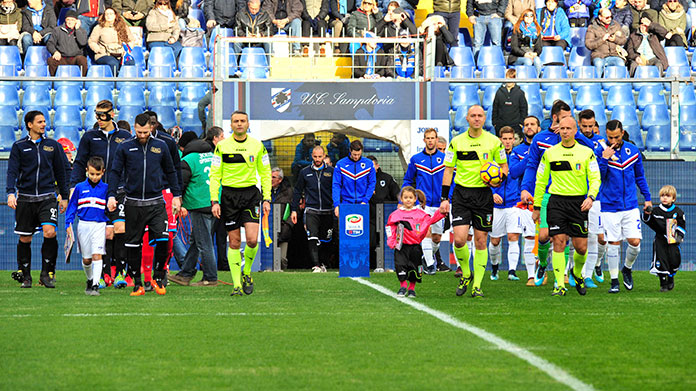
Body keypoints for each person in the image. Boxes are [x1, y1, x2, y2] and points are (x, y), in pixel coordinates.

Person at [520, 100, 596, 286]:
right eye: (563, 120)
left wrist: (576, 133)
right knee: (545, 236)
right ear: (554, 119)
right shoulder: (540, 139)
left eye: (570, 123)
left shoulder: (577, 140)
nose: (566, 126)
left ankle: (564, 275)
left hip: (573, 196)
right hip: (549, 196)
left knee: (567, 240)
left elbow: (592, 148)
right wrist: (525, 188)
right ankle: (543, 264)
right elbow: (532, 167)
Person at [107, 113, 181, 296]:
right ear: (134, 128)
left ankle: (157, 277)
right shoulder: (125, 147)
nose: (142, 135)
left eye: (145, 131)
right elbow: (115, 172)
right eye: (139, 132)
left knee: (164, 239)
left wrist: (177, 196)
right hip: (132, 203)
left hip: (156, 202)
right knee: (133, 245)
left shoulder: (161, 146)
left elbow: (171, 171)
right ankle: (138, 284)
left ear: (151, 128)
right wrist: (111, 195)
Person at [440, 105, 509, 298]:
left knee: (481, 241)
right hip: (461, 195)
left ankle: (477, 285)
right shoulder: (456, 142)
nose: (477, 119)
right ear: (467, 119)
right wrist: (444, 198)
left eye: (480, 115)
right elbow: (448, 170)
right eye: (473, 116)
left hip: (483, 196)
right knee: (460, 239)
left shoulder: (494, 142)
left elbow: (504, 167)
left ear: (484, 118)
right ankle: (466, 272)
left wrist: (497, 179)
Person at [533, 116, 601, 296]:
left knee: (581, 247)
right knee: (558, 242)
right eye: (561, 128)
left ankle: (577, 273)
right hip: (557, 202)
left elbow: (595, 177)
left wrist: (591, 197)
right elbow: (540, 181)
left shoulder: (586, 153)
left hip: (579, 203)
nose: (564, 132)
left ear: (575, 130)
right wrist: (537, 206)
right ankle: (559, 284)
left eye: (568, 129)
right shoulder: (549, 153)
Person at [71, 100, 132, 288]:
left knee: (120, 229)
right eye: (96, 115)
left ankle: (121, 273)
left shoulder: (125, 136)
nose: (99, 119)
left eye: (103, 115)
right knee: (104, 234)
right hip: (96, 193)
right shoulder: (89, 137)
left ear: (112, 114)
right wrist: (74, 185)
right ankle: (105, 273)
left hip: (120, 190)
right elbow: (80, 162)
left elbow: (131, 162)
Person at [210, 111, 271, 296]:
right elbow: (214, 175)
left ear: (247, 123)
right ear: (230, 125)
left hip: (251, 195)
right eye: (235, 121)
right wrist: (215, 200)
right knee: (234, 241)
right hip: (229, 196)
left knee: (252, 239)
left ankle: (246, 272)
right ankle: (236, 285)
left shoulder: (257, 145)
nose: (239, 124)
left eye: (242, 121)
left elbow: (266, 172)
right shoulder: (222, 147)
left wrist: (266, 198)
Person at [7, 111, 69, 289]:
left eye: (44, 121)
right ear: (29, 125)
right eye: (39, 122)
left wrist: (64, 196)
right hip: (25, 199)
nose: (43, 124)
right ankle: (25, 275)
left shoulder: (53, 146)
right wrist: (11, 192)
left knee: (50, 232)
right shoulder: (18, 146)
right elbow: (12, 171)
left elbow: (61, 172)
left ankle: (47, 274)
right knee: (25, 238)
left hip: (47, 198)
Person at [596, 119, 652, 293]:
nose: (613, 141)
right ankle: (614, 281)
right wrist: (604, 159)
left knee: (635, 243)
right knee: (613, 242)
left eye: (616, 137)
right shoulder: (600, 150)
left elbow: (639, 177)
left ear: (622, 133)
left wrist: (647, 198)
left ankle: (627, 268)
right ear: (607, 134)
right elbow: (599, 177)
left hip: (630, 205)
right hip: (609, 206)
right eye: (610, 137)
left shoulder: (632, 150)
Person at [169, 126, 225, 286]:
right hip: (214, 201)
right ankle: (185, 274)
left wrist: (179, 201)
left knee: (204, 242)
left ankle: (210, 277)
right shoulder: (213, 155)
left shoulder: (188, 160)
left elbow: (181, 183)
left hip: (198, 204)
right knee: (197, 240)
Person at [402, 128, 449, 274]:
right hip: (423, 204)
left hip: (439, 204)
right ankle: (430, 265)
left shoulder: (445, 159)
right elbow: (408, 179)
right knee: (426, 232)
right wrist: (404, 196)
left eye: (432, 138)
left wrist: (447, 199)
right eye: (427, 138)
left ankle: (426, 257)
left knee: (436, 237)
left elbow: (451, 182)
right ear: (424, 140)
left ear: (436, 140)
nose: (430, 140)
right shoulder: (416, 159)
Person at [387, 186, 446, 297]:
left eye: (410, 197)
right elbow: (390, 227)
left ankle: (411, 289)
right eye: (405, 197)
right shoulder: (396, 214)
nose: (408, 200)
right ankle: (403, 286)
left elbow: (430, 220)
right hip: (401, 247)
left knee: (414, 268)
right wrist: (391, 240)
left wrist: (441, 214)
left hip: (415, 247)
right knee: (400, 266)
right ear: (401, 199)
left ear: (415, 199)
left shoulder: (420, 214)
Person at [65, 156, 109, 296]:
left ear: (103, 172)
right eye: (91, 174)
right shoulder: (79, 187)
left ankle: (95, 285)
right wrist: (68, 223)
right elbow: (72, 207)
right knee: (87, 259)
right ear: (86, 171)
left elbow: (110, 208)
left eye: (97, 174)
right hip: (83, 225)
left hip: (100, 225)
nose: (94, 177)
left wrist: (111, 224)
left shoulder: (106, 189)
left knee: (97, 255)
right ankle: (90, 280)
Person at [489, 126, 527, 282]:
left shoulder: (518, 157)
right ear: (500, 140)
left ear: (514, 140)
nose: (507, 142)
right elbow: (484, 179)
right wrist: (492, 194)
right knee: (495, 241)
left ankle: (512, 271)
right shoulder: (492, 158)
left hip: (513, 204)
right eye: (504, 139)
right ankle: (495, 268)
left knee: (513, 237)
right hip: (496, 206)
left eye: (510, 139)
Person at [291, 145, 335, 272]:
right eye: (315, 156)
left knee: (326, 240)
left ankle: (323, 263)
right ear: (312, 156)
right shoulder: (304, 172)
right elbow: (297, 191)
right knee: (312, 238)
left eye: (320, 156)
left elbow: (337, 189)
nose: (317, 159)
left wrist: (337, 205)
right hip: (311, 210)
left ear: (324, 156)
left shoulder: (332, 172)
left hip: (328, 210)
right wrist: (294, 209)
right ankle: (315, 265)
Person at [577, 109, 608, 288]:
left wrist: (602, 159)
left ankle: (588, 275)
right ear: (579, 124)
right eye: (585, 126)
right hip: (574, 195)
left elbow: (602, 172)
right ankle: (573, 272)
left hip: (595, 197)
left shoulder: (600, 143)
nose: (588, 129)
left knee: (594, 236)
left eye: (591, 126)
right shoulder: (573, 141)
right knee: (576, 236)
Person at [511, 115, 541, 286]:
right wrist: (532, 156)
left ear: (538, 128)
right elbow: (514, 172)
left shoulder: (547, 147)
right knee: (529, 237)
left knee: (549, 239)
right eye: (527, 124)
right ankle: (531, 275)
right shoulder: (517, 151)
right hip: (526, 200)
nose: (529, 127)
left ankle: (545, 270)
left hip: (546, 197)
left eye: (533, 124)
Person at [642, 185, 685, 292]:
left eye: (668, 196)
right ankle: (663, 283)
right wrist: (647, 213)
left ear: (673, 198)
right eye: (662, 196)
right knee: (661, 261)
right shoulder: (655, 211)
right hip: (660, 241)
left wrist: (679, 236)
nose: (665, 198)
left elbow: (681, 225)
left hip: (673, 241)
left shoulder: (678, 212)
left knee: (674, 261)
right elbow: (647, 221)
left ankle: (671, 277)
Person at [368, 155, 399, 270]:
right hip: (369, 217)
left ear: (377, 165)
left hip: (386, 217)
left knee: (386, 242)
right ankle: (372, 266)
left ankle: (387, 266)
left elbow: (397, 195)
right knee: (371, 242)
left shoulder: (387, 178)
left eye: (372, 166)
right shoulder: (361, 179)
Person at [332, 139, 376, 218]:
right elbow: (336, 185)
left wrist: (365, 200)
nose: (356, 157)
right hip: (346, 203)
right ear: (350, 150)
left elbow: (372, 183)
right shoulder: (340, 164)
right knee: (345, 230)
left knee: (362, 229)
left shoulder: (368, 164)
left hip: (363, 203)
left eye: (359, 154)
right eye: (354, 154)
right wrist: (336, 204)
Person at [88, 7, 136, 75]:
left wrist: (127, 50)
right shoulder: (98, 27)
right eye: (106, 14)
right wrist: (97, 49)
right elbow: (91, 41)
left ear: (115, 15)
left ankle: (127, 83)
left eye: (111, 14)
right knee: (113, 63)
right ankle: (113, 83)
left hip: (121, 54)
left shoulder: (123, 27)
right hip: (104, 54)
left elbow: (131, 40)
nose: (108, 15)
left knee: (130, 62)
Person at [585, 8, 628, 77]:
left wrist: (615, 39)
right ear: (600, 17)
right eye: (607, 17)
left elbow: (623, 40)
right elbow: (588, 44)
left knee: (620, 63)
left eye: (611, 16)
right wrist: (602, 39)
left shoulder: (616, 25)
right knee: (598, 64)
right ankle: (598, 84)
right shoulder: (592, 27)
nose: (610, 19)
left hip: (614, 55)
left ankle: (620, 85)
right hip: (599, 56)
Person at [46, 10, 88, 76]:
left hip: (75, 58)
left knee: (82, 60)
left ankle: (83, 82)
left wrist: (77, 30)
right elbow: (50, 43)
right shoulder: (57, 30)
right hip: (62, 58)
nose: (70, 22)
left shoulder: (82, 31)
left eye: (72, 20)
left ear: (76, 21)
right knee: (51, 60)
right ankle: (54, 82)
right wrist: (55, 52)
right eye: (68, 19)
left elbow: (83, 42)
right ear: (65, 20)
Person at [270, 167, 295, 270]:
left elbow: (293, 212)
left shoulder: (289, 192)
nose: (270, 179)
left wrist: (287, 227)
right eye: (269, 177)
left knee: (282, 259)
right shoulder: (263, 191)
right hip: (268, 230)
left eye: (273, 177)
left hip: (283, 230)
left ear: (280, 180)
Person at [492, 68, 528, 135]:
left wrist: (520, 124)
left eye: (511, 78)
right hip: (500, 126)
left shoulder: (520, 93)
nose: (509, 81)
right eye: (508, 78)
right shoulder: (499, 92)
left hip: (516, 127)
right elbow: (495, 108)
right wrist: (495, 124)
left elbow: (524, 109)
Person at [508, 9, 543, 75]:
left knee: (537, 60)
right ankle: (527, 81)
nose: (529, 18)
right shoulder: (517, 28)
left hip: (531, 54)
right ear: (523, 17)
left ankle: (536, 80)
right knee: (528, 61)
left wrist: (535, 53)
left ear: (534, 18)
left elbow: (539, 47)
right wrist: (524, 54)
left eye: (531, 16)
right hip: (517, 56)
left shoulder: (537, 29)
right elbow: (514, 47)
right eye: (526, 16)